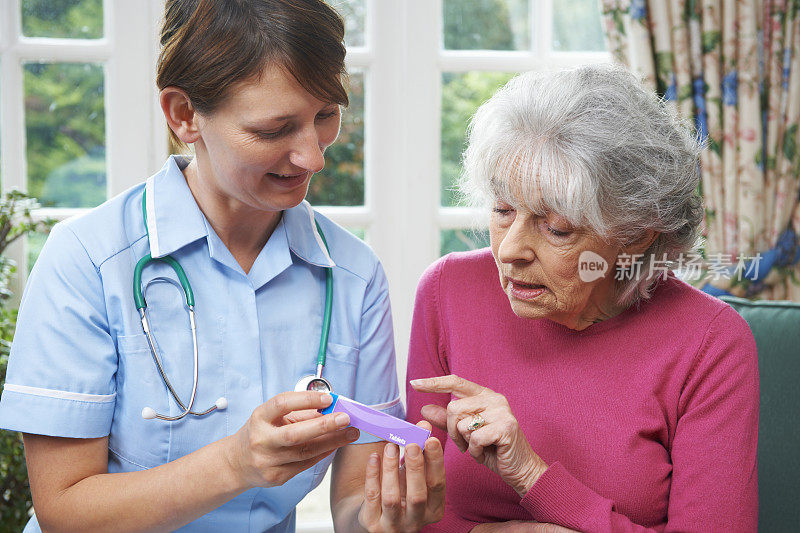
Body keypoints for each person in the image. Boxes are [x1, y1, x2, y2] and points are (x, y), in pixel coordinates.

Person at [0, 1, 444, 531]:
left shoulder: (353, 275)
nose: (314, 157)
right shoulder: (88, 260)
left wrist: (386, 517)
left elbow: (353, 504)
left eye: (326, 114)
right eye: (274, 129)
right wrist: (234, 464)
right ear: (184, 115)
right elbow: (64, 511)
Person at [406, 65, 759, 532]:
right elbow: (413, 509)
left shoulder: (710, 342)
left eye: (556, 228)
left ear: (634, 235)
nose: (510, 251)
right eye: (502, 210)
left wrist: (532, 477)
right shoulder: (447, 291)